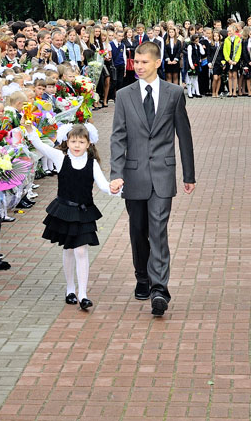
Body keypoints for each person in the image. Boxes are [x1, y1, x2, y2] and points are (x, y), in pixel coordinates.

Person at [109, 41, 195, 317]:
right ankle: (142, 276)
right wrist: (116, 173)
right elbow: (118, 136)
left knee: (158, 230)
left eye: (144, 62)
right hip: (133, 174)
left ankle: (160, 290)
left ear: (158, 63)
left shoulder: (174, 93)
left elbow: (184, 134)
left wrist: (189, 174)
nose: (139, 66)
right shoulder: (124, 95)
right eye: (136, 61)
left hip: (162, 174)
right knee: (138, 230)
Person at [25, 122, 115, 310]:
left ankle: (83, 294)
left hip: (84, 212)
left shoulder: (92, 163)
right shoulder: (61, 157)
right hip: (65, 210)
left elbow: (103, 185)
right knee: (68, 249)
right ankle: (70, 288)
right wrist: (30, 131)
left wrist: (114, 188)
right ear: (67, 142)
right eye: (73, 141)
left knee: (81, 250)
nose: (77, 145)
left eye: (81, 142)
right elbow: (41, 146)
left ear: (88, 144)